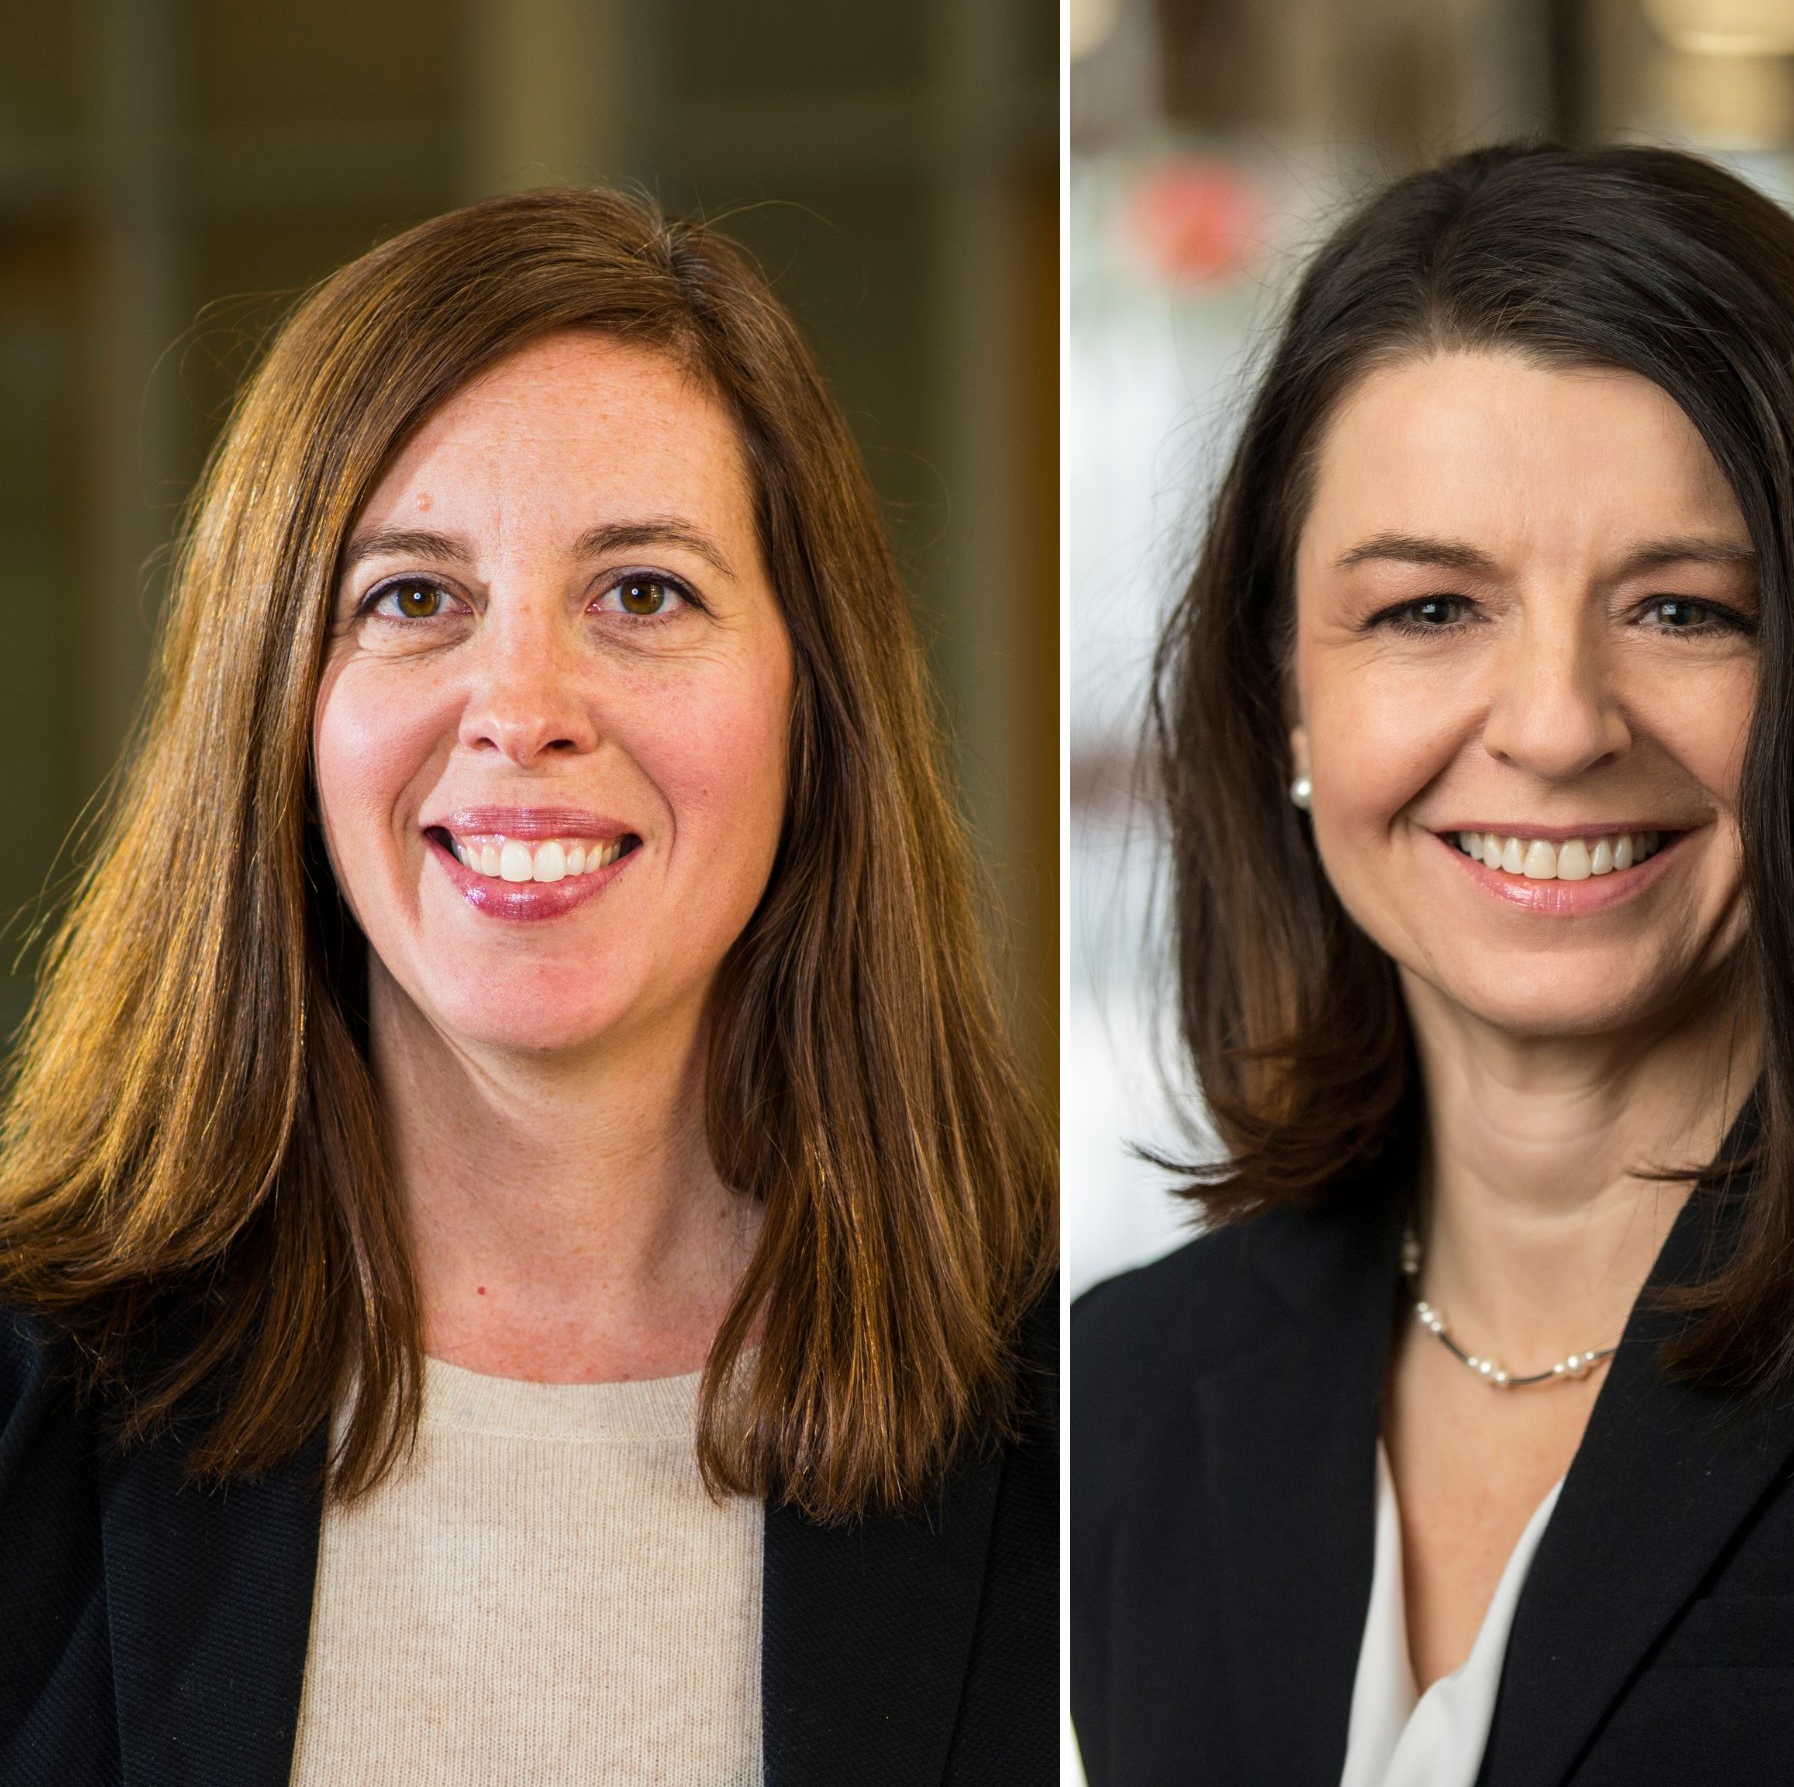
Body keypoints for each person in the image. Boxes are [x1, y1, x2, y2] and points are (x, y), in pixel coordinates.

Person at [1070, 142, 1794, 1785]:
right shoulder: (1121, 1402)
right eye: (1429, 611)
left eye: (1686, 611)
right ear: (1286, 695)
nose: (1558, 726)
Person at [0, 188, 1057, 1785]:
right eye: (412, 598)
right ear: (277, 715)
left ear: (811, 699)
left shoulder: (1076, 1402)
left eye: (643, 592)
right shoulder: (24, 1401)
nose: (524, 707)